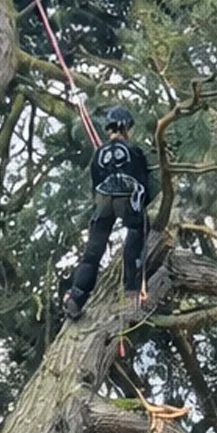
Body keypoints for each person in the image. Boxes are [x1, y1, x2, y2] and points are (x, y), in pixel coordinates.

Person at [63, 105, 151, 320]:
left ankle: (76, 298)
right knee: (136, 233)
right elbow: (145, 181)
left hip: (103, 200)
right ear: (124, 127)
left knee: (92, 253)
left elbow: (95, 184)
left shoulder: (98, 154)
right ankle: (132, 293)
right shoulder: (133, 151)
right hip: (126, 196)